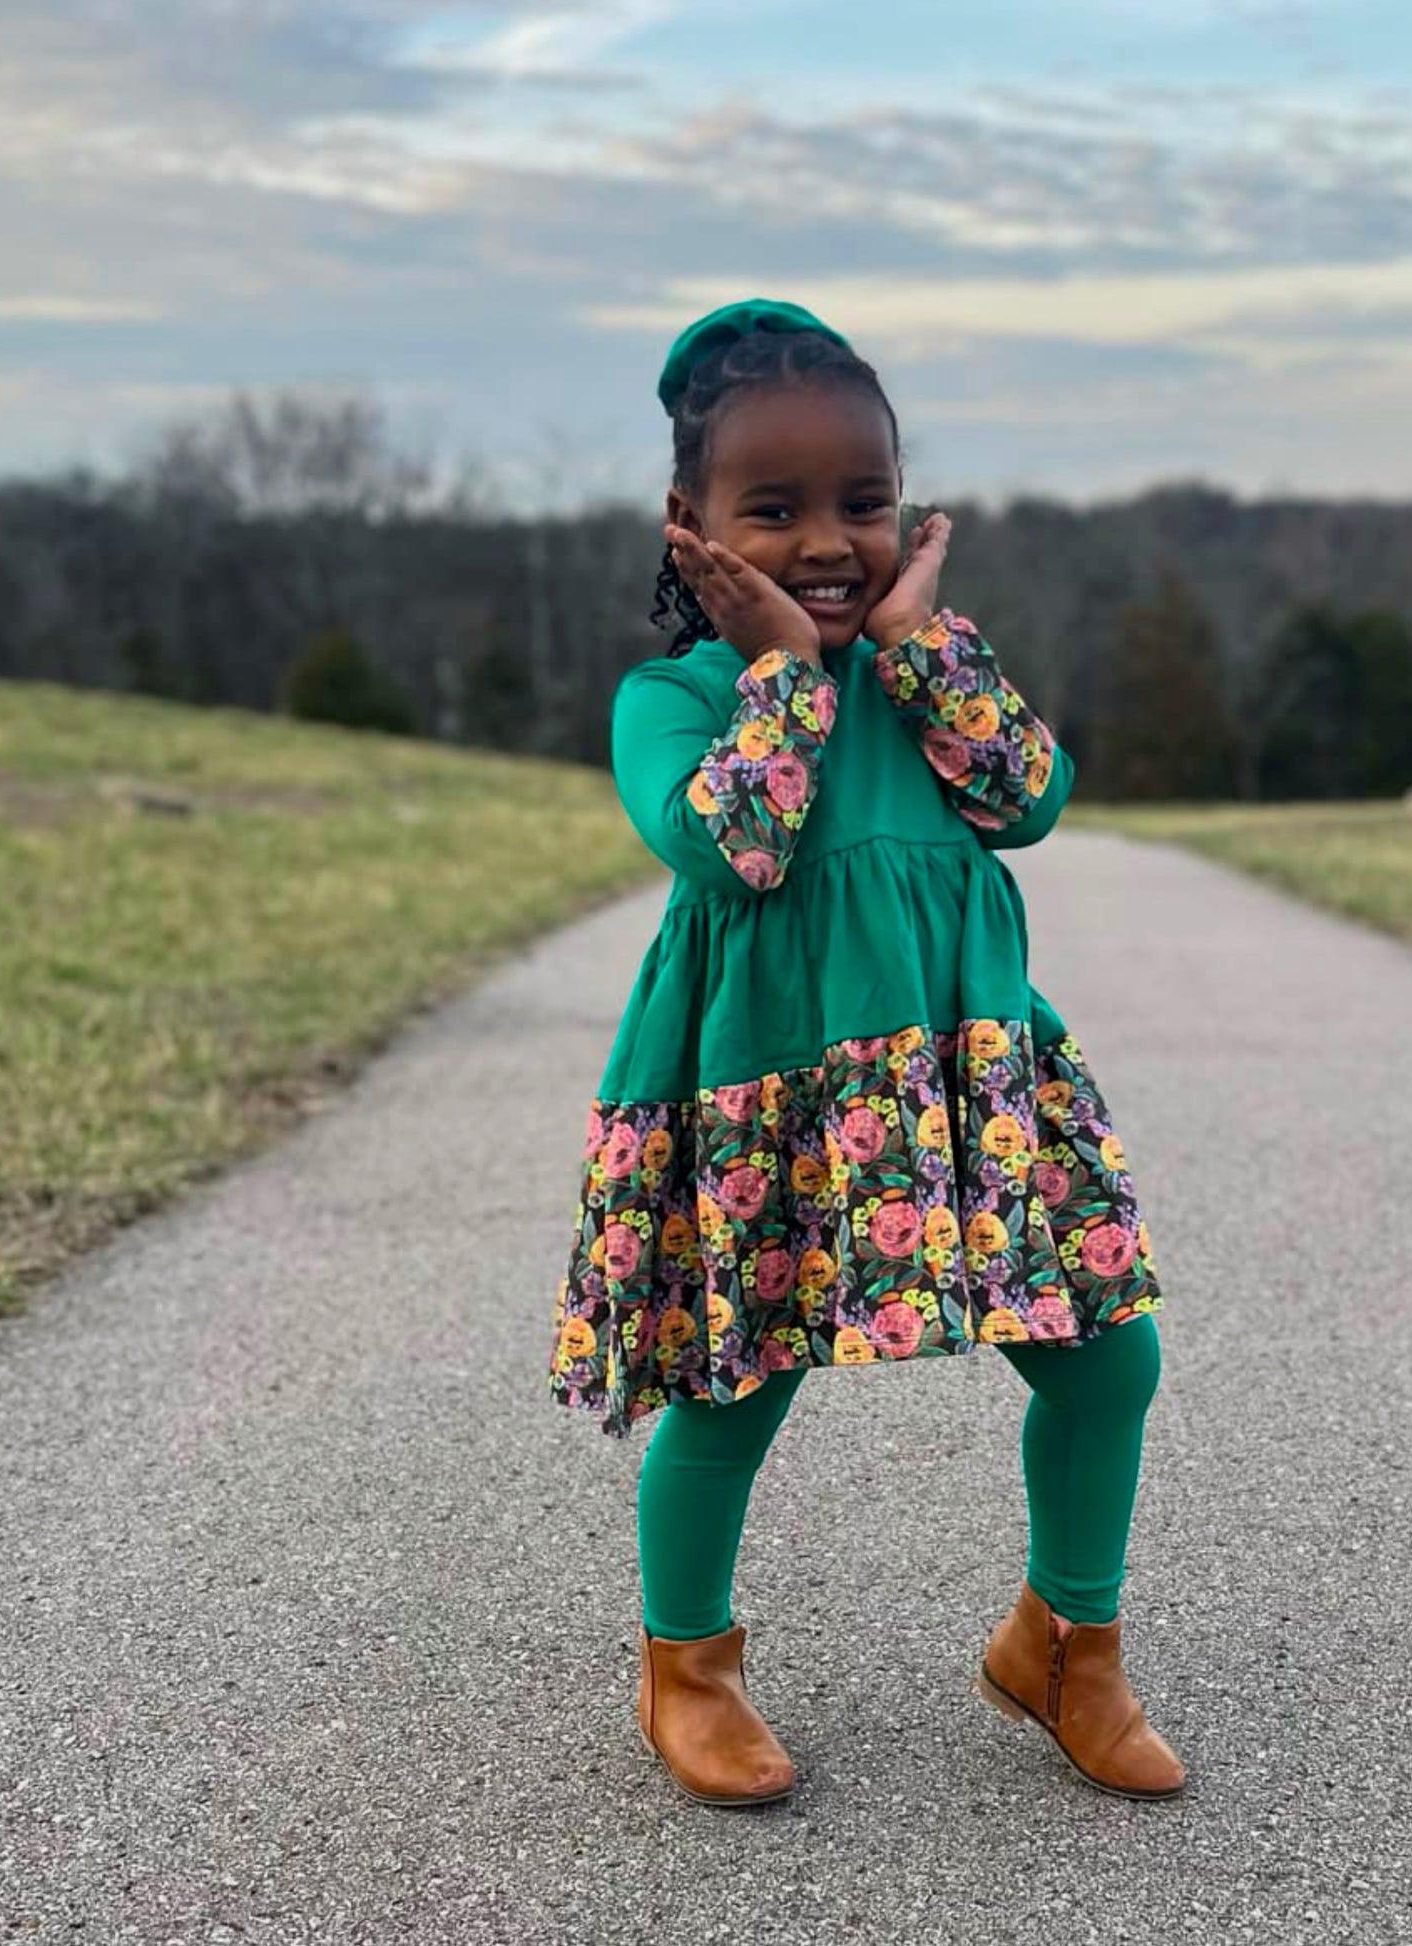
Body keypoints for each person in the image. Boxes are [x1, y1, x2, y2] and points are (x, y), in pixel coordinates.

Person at [548, 297, 1182, 1808]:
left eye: (863, 502)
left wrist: (913, 648)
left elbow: (1029, 797)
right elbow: (735, 847)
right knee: (732, 1386)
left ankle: (1064, 1643)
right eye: (773, 509)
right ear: (688, 524)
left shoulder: (919, 679)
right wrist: (775, 665)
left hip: (967, 1090)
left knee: (1109, 1357)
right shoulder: (676, 700)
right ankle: (684, 1666)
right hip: (764, 1093)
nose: (827, 541)